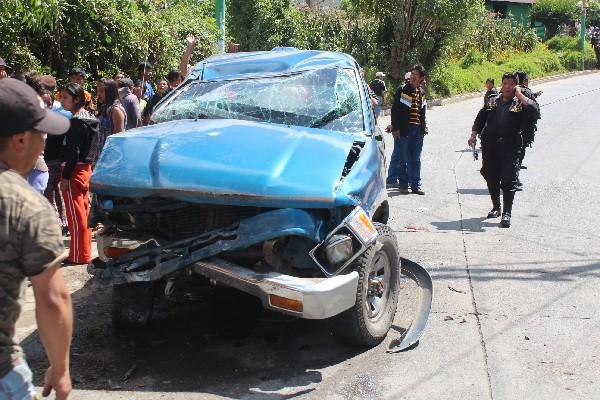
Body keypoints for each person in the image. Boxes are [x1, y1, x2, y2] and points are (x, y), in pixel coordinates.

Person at [0, 78, 73, 400]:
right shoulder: (24, 204)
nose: (44, 143)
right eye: (41, 135)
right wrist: (60, 368)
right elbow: (54, 299)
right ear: (19, 140)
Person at [468, 72, 540, 228]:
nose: (507, 87)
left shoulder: (520, 103)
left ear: (516, 86)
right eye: (505, 83)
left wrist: (520, 94)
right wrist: (473, 134)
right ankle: (496, 207)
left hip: (510, 146)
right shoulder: (493, 101)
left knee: (509, 179)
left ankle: (507, 213)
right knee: (490, 174)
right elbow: (480, 119)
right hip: (490, 145)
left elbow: (534, 111)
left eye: (511, 84)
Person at [59, 83, 98, 264]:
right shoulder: (90, 118)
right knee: (83, 212)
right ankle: (82, 252)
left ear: (76, 99)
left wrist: (65, 177)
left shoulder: (76, 121)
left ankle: (79, 255)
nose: (62, 100)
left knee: (75, 216)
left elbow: (73, 151)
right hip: (86, 170)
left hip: (74, 171)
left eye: (65, 97)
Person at [388, 64, 428, 195]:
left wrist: (423, 127)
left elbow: (422, 112)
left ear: (421, 78)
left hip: (418, 130)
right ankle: (404, 185)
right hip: (405, 130)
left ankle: (416, 185)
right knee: (402, 159)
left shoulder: (421, 92)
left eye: (415, 75)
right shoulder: (403, 90)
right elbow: (395, 110)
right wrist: (396, 128)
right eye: (412, 74)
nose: (412, 77)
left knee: (416, 158)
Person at [513, 70, 541, 190]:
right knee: (518, 155)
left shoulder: (507, 92)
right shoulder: (525, 92)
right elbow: (536, 111)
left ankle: (512, 177)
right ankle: (514, 179)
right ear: (524, 81)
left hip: (508, 131)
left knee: (511, 155)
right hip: (522, 131)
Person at [95, 78, 125, 166]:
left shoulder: (116, 110)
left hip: (109, 158)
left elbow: (118, 138)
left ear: (110, 92)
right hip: (99, 154)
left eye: (101, 91)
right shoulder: (104, 108)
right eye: (98, 91)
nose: (98, 94)